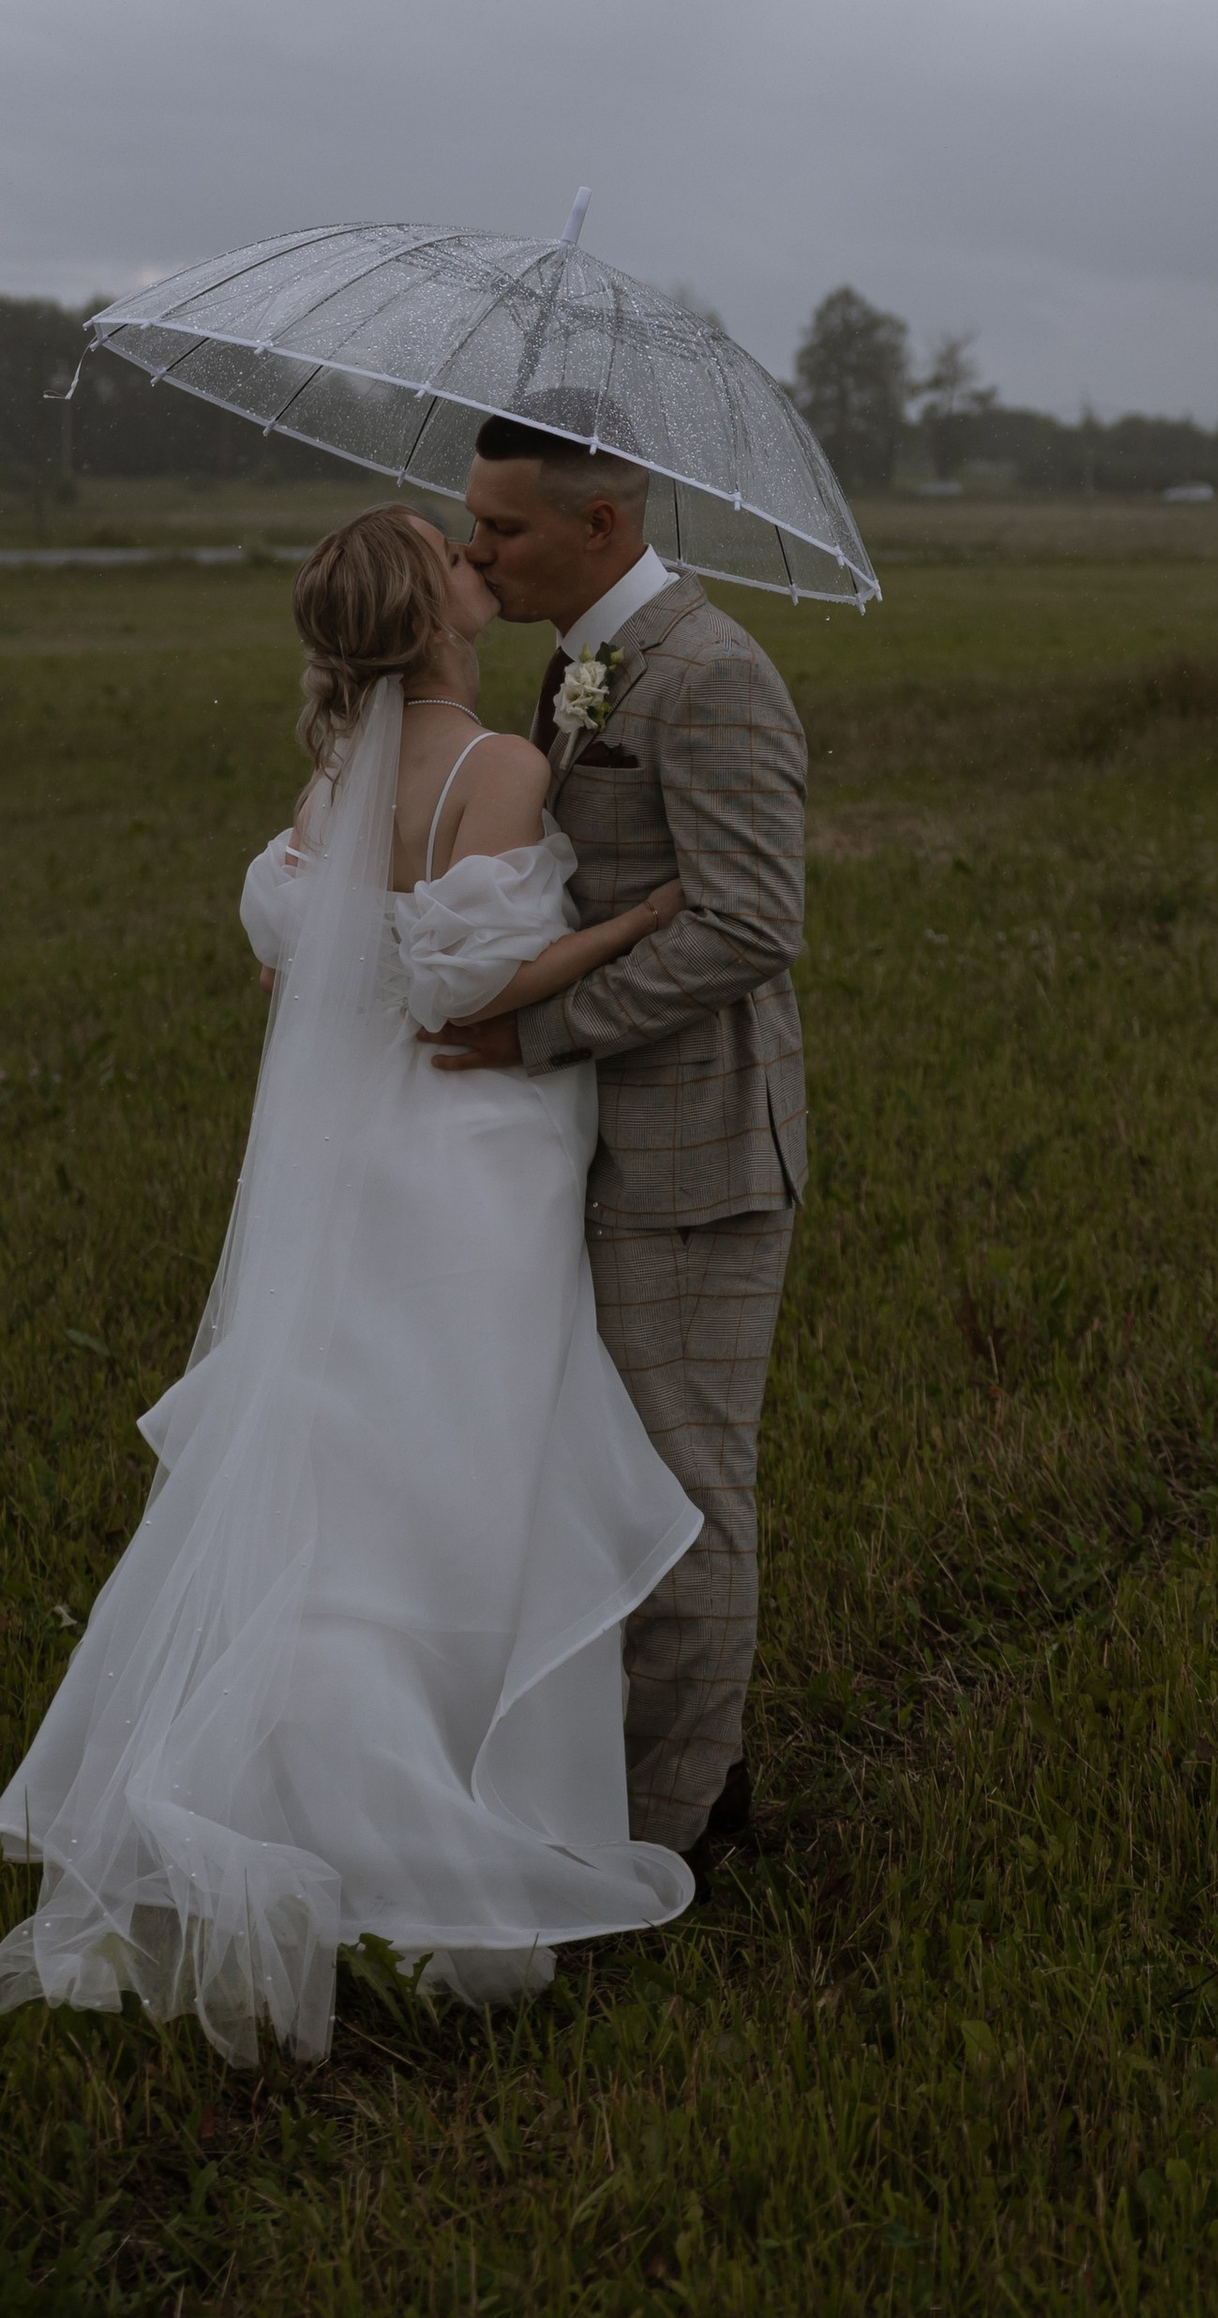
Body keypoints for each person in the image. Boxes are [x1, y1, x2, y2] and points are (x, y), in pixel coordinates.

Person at [0, 507, 702, 2067]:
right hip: (473, 1156)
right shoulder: (496, 768)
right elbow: (471, 984)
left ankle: (285, 1787)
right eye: (458, 558)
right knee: (465, 1465)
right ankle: (433, 1824)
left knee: (349, 1460)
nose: (480, 564)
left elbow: (296, 964)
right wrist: (632, 925)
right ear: (434, 613)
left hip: (358, 1156)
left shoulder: (335, 777)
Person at [442, 412, 807, 1877]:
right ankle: (622, 1784)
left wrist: (536, 1034)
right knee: (596, 1482)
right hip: (583, 1148)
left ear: (603, 523)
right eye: (472, 522)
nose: (475, 552)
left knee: (679, 1496)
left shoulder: (711, 675)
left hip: (692, 1153)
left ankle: (681, 1827)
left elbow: (749, 923)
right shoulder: (580, 659)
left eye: (503, 529)